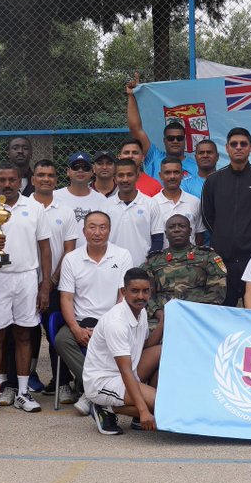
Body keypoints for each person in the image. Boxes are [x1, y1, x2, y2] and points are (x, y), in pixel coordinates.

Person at [0, 162, 51, 416]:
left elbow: (45, 247)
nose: (7, 184)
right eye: (3, 179)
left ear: (20, 181)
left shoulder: (34, 207)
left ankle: (22, 392)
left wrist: (45, 284)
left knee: (23, 335)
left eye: (12, 180)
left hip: (27, 278)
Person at [56, 211, 132, 422]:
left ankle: (91, 394)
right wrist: (75, 328)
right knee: (62, 339)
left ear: (109, 230)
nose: (97, 232)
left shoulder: (122, 255)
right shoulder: (72, 259)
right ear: (84, 231)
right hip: (81, 321)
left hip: (112, 320)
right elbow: (66, 298)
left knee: (117, 340)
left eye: (102, 227)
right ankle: (96, 390)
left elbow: (122, 296)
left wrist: (105, 327)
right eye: (92, 227)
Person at [201, 128, 251, 306]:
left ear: (250, 148)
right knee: (222, 309)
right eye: (234, 144)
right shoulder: (213, 181)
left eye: (243, 144)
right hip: (221, 259)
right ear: (227, 148)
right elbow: (207, 217)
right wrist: (224, 236)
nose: (238, 148)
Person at [81, 267, 163, 435]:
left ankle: (146, 404)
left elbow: (145, 346)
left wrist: (163, 322)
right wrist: (143, 412)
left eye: (145, 291)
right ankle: (105, 407)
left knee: (162, 351)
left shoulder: (141, 312)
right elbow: (125, 371)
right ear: (123, 291)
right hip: (103, 381)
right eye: (135, 291)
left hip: (127, 371)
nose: (141, 296)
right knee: (162, 406)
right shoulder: (116, 322)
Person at [26, 159, 82, 402]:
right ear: (33, 179)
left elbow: (70, 248)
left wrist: (51, 280)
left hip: (57, 284)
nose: (45, 179)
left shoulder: (65, 210)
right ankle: (18, 381)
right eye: (41, 175)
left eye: (50, 175)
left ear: (56, 180)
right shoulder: (21, 206)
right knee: (23, 334)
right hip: (24, 281)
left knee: (55, 333)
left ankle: (62, 381)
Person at [143, 213, 227, 323]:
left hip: (198, 316)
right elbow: (145, 292)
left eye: (182, 226)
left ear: (190, 231)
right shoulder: (153, 260)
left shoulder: (208, 256)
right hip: (162, 317)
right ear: (166, 234)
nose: (176, 230)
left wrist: (196, 313)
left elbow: (217, 290)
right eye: (171, 227)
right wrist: (158, 313)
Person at [104, 158, 164, 266]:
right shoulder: (105, 206)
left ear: (137, 176)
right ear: (114, 178)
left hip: (142, 268)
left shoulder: (151, 204)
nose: (125, 179)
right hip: (112, 268)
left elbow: (158, 240)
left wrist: (148, 264)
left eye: (129, 175)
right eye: (120, 175)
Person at [154, 157, 204, 245]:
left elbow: (199, 234)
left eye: (176, 172)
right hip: (161, 258)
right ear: (160, 176)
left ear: (182, 175)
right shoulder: (152, 203)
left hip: (190, 257)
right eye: (167, 173)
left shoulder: (195, 202)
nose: (172, 176)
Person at [53, 152, 106, 226]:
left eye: (85, 167)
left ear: (91, 172)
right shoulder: (54, 197)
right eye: (76, 167)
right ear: (68, 171)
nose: (80, 170)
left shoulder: (102, 200)